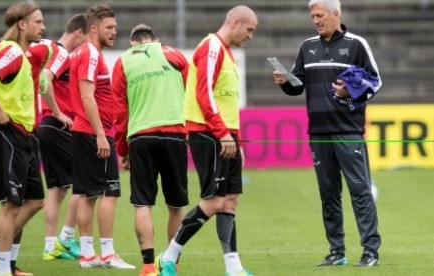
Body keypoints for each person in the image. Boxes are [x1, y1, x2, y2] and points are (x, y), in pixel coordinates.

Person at [272, 0, 382, 267]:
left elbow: (375, 81)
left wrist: (351, 91)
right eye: (313, 16)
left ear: (336, 14)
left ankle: (370, 252)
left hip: (348, 131)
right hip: (318, 132)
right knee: (328, 193)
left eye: (320, 15)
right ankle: (337, 252)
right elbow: (298, 86)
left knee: (360, 191)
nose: (316, 20)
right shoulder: (307, 47)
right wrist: (286, 83)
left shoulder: (356, 44)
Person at [157, 5, 258, 276]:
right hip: (209, 134)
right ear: (236, 22)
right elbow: (205, 94)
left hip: (226, 137)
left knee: (230, 200)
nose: (250, 36)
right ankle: (169, 256)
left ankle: (233, 268)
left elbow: (225, 100)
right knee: (213, 201)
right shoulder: (211, 46)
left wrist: (236, 140)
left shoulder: (227, 53)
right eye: (249, 30)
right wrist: (223, 133)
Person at [0, 1, 46, 275]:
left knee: (35, 201)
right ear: (22, 24)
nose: (43, 27)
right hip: (10, 134)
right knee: (9, 205)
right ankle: (2, 268)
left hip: (24, 135)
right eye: (38, 22)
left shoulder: (22, 54)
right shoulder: (13, 51)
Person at [112, 23, 189, 276]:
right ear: (155, 39)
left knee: (142, 203)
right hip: (175, 134)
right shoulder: (175, 54)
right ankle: (171, 263)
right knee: (176, 205)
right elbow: (192, 94)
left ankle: (147, 267)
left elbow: (120, 112)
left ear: (133, 43)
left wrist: (122, 149)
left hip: (141, 136)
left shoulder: (123, 62)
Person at [69, 4, 134, 269]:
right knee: (110, 192)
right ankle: (107, 254)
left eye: (115, 28)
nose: (114, 32)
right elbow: (86, 96)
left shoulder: (82, 53)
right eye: (109, 28)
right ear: (93, 28)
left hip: (85, 130)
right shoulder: (91, 54)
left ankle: (87, 255)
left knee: (88, 195)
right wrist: (99, 134)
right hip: (93, 132)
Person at [38, 13, 87, 261]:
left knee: (58, 188)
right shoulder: (61, 54)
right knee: (85, 183)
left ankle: (49, 247)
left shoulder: (50, 51)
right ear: (78, 33)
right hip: (59, 125)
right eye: (85, 39)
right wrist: (59, 113)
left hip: (47, 126)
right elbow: (43, 81)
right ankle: (65, 241)